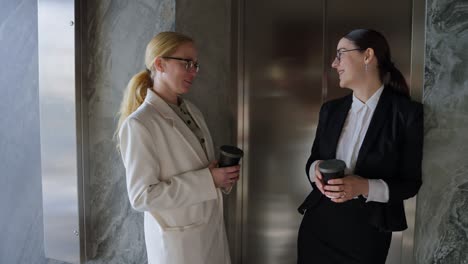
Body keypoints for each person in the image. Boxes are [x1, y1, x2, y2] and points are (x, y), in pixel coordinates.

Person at [297, 29, 423, 264]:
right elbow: (312, 160)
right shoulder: (330, 110)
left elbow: (410, 184)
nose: (334, 64)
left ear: (367, 56)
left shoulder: (406, 114)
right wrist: (316, 168)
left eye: (340, 54)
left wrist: (364, 186)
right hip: (318, 225)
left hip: (367, 234)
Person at [116, 31, 239, 264]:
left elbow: (199, 168)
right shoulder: (139, 124)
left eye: (196, 65)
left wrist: (221, 176)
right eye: (187, 63)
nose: (194, 71)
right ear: (160, 64)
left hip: (209, 234)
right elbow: (142, 196)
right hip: (179, 246)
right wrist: (208, 180)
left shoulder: (192, 111)